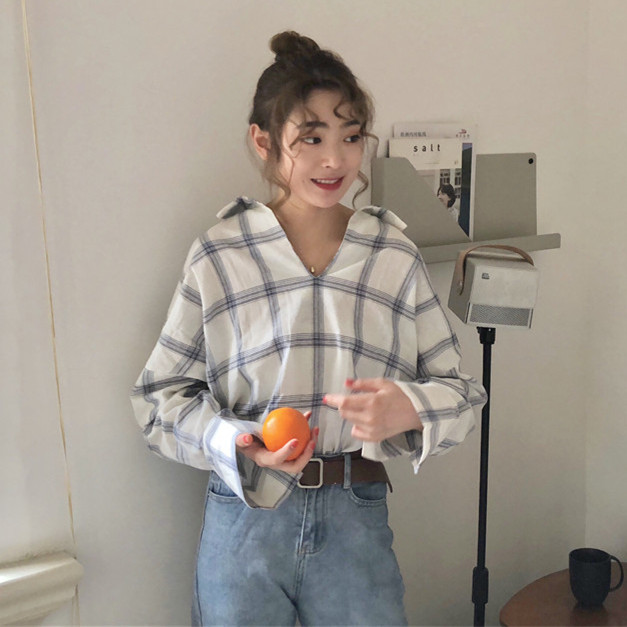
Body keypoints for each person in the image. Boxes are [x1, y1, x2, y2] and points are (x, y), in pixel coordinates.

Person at [131, 31, 487, 627]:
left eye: (351, 137)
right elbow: (157, 400)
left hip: (356, 512)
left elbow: (462, 392)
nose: (335, 160)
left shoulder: (391, 254)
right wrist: (236, 442)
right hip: (244, 518)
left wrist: (409, 408)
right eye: (312, 138)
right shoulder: (220, 254)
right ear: (264, 142)